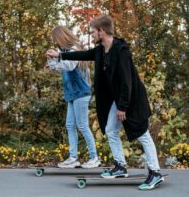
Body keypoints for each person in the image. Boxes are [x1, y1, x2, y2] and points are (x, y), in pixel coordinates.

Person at [46, 16, 164, 190]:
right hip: (119, 99)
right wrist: (60, 55)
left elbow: (126, 81)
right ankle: (120, 166)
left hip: (132, 98)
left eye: (93, 32)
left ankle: (155, 173)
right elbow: (82, 54)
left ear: (102, 31)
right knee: (110, 129)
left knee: (142, 134)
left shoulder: (120, 50)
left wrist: (123, 107)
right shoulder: (101, 50)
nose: (91, 35)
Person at [46, 26, 101, 168]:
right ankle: (73, 157)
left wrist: (57, 58)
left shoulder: (73, 51)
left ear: (61, 37)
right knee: (70, 125)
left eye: (56, 39)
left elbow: (69, 66)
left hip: (81, 93)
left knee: (82, 125)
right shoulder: (63, 52)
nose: (55, 42)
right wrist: (51, 59)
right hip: (71, 93)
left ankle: (94, 157)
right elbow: (55, 67)